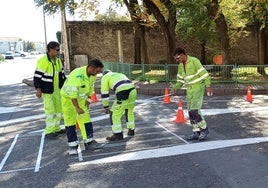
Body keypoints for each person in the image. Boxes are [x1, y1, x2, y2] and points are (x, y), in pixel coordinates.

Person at [60, 59, 103, 155]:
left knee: (86, 119)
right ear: (91, 68)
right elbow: (72, 93)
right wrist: (77, 107)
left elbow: (90, 88)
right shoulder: (77, 75)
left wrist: (88, 100)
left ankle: (89, 141)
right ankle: (73, 146)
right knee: (70, 121)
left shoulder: (92, 75)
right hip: (69, 100)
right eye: (97, 71)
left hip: (81, 99)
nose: (98, 73)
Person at [171, 47, 213, 141]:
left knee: (195, 110)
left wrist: (208, 86)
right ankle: (196, 132)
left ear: (182, 55)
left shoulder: (194, 61)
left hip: (198, 87)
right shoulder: (180, 66)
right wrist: (175, 88)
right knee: (190, 112)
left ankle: (204, 129)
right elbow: (180, 81)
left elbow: (204, 74)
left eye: (177, 58)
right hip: (189, 89)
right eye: (175, 59)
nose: (177, 60)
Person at [33, 41, 66, 139]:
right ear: (50, 50)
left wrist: (65, 87)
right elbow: (37, 76)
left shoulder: (58, 60)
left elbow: (62, 75)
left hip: (57, 90)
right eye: (57, 50)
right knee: (50, 111)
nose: (58, 51)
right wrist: (38, 89)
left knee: (59, 110)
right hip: (47, 91)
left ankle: (56, 128)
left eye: (59, 49)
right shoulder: (43, 60)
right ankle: (49, 131)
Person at [101, 70, 137, 141]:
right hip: (133, 90)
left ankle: (117, 134)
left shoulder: (105, 77)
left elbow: (104, 93)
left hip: (123, 92)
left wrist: (105, 106)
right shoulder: (119, 73)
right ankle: (131, 130)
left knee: (114, 114)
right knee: (129, 110)